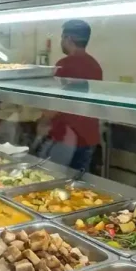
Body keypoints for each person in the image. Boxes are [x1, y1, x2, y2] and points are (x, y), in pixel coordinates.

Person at [36, 20, 104, 172]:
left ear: (68, 39)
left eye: (62, 38)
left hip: (66, 138)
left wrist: (43, 122)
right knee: (77, 184)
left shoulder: (65, 65)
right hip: (88, 137)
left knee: (51, 179)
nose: (61, 41)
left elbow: (56, 103)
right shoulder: (95, 65)